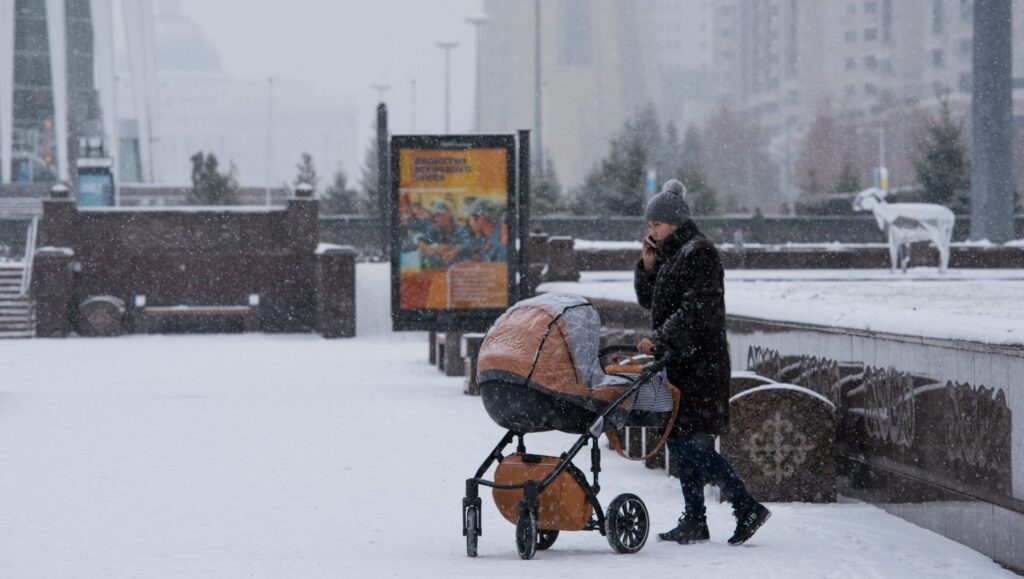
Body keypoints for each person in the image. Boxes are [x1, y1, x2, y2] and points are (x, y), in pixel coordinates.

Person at [634, 179, 771, 546]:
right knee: (678, 441)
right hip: (680, 363)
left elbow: (697, 311)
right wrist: (647, 267)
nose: (651, 231)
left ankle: (746, 507)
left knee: (695, 444)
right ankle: (694, 518)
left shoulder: (699, 253)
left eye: (656, 225)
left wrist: (660, 340)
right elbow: (651, 303)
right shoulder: (670, 254)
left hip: (702, 365)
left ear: (675, 222)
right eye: (649, 226)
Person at [417, 201, 471, 268]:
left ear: (449, 213)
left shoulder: (460, 228)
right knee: (422, 253)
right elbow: (421, 240)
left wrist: (452, 249)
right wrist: (427, 248)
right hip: (441, 261)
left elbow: (467, 244)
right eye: (437, 216)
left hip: (457, 261)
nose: (439, 218)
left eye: (442, 215)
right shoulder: (436, 228)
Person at [465, 198, 507, 263]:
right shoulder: (484, 237)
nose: (470, 224)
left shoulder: (503, 237)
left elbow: (501, 268)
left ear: (480, 219)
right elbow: (470, 245)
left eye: (470, 219)